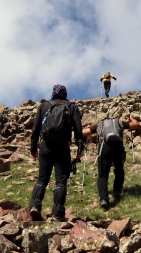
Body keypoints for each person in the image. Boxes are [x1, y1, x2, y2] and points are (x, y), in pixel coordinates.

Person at [29, 84, 85, 221]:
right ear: (65, 94)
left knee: (43, 178)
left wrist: (33, 148)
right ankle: (57, 213)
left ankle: (35, 206)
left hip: (45, 146)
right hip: (62, 147)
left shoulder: (44, 106)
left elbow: (36, 127)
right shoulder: (72, 106)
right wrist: (80, 149)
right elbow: (78, 130)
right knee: (61, 180)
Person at [82, 113, 140, 210]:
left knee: (103, 175)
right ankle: (116, 192)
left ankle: (104, 199)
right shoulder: (120, 123)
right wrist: (132, 118)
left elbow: (83, 133)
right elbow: (137, 125)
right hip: (118, 148)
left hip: (104, 149)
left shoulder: (99, 124)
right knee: (119, 170)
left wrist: (88, 127)